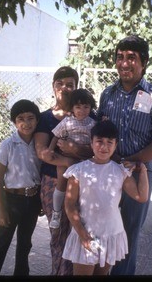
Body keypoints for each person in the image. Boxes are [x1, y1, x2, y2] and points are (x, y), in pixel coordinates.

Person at [97, 35, 152, 275]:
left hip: (139, 173)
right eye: (120, 57)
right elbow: (99, 130)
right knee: (102, 227)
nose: (124, 63)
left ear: (144, 62)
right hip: (107, 170)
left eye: (132, 58)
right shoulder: (107, 95)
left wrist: (135, 160)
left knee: (129, 234)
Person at [62, 120, 149, 276]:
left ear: (115, 145)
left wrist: (142, 171)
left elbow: (141, 196)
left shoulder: (121, 172)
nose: (104, 146)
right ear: (91, 143)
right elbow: (69, 204)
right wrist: (82, 234)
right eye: (99, 141)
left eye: (110, 142)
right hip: (87, 233)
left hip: (111, 234)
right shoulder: (78, 170)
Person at [34, 66, 95, 275]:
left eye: (70, 84)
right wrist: (66, 159)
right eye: (60, 84)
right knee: (58, 234)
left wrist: (74, 150)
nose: (65, 88)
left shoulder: (88, 116)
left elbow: (101, 150)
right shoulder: (45, 118)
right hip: (53, 181)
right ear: (53, 87)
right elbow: (42, 151)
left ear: (76, 87)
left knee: (80, 233)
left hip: (85, 184)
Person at [0, 99, 42, 276]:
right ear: (14, 122)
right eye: (20, 119)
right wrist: (2, 210)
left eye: (30, 118)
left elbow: (41, 173)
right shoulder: (7, 145)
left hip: (32, 200)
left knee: (25, 244)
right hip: (12, 201)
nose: (26, 123)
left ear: (37, 120)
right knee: (1, 243)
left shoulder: (39, 144)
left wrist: (40, 200)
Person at [48, 88, 96, 229]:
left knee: (82, 188)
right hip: (66, 158)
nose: (82, 110)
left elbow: (95, 142)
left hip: (84, 160)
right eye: (78, 107)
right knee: (61, 184)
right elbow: (56, 136)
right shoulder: (67, 122)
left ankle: (82, 214)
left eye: (86, 107)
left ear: (90, 107)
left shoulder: (93, 124)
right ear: (72, 108)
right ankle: (56, 213)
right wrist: (50, 150)